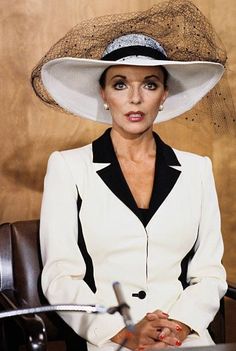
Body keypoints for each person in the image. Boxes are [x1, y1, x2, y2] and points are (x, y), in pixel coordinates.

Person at [31, 1, 230, 350]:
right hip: (108, 337)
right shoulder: (67, 166)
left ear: (164, 95)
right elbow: (60, 277)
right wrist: (124, 331)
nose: (135, 98)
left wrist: (180, 326)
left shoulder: (198, 169)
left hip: (183, 338)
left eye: (150, 85)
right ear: (104, 94)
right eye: (120, 84)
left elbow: (209, 273)